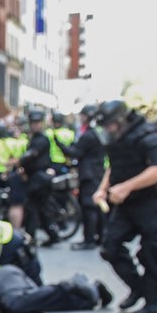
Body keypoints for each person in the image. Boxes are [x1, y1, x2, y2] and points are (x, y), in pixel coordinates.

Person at [93, 99, 157, 313]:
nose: (107, 129)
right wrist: (102, 189)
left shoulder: (148, 136)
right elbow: (115, 166)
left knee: (154, 253)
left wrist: (126, 187)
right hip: (126, 204)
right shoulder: (117, 138)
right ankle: (137, 288)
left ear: (121, 120)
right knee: (110, 247)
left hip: (151, 203)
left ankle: (153, 301)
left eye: (110, 124)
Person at [54, 104, 106, 250]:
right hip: (96, 173)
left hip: (89, 175)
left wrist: (61, 145)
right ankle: (99, 237)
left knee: (89, 207)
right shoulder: (98, 133)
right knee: (96, 207)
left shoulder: (89, 135)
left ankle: (89, 240)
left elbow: (75, 152)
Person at [11, 109, 59, 245]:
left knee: (33, 208)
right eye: (33, 123)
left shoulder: (42, 139)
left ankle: (31, 237)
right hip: (36, 177)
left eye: (37, 123)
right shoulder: (34, 138)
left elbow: (30, 156)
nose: (35, 125)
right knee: (39, 209)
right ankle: (50, 235)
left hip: (40, 179)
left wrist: (18, 163)